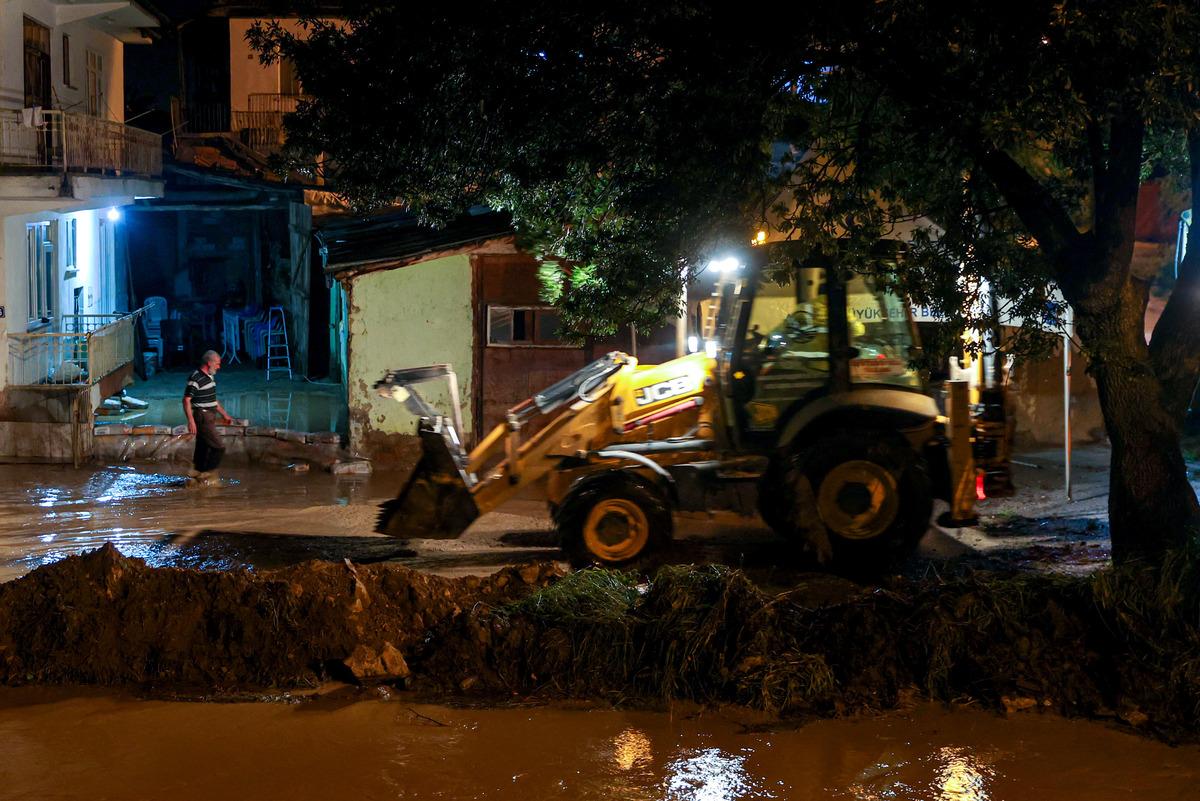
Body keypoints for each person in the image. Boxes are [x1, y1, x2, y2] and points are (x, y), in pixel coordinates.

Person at [183, 350, 233, 481]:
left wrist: (225, 415)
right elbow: (186, 400)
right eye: (217, 364)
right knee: (219, 446)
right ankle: (208, 474)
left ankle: (197, 472)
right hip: (202, 416)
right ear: (209, 363)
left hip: (209, 415)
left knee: (203, 445)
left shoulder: (210, 377)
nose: (219, 367)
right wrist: (191, 421)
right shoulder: (195, 378)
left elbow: (213, 400)